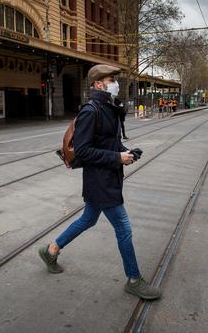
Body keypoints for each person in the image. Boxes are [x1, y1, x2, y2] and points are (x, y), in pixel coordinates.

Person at [38, 64, 161, 300]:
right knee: (123, 228)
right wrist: (117, 157)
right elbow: (83, 152)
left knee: (87, 219)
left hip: (107, 178)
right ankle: (134, 280)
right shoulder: (91, 111)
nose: (115, 82)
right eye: (111, 79)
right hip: (100, 181)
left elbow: (108, 143)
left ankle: (51, 249)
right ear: (98, 84)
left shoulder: (108, 108)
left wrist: (126, 151)